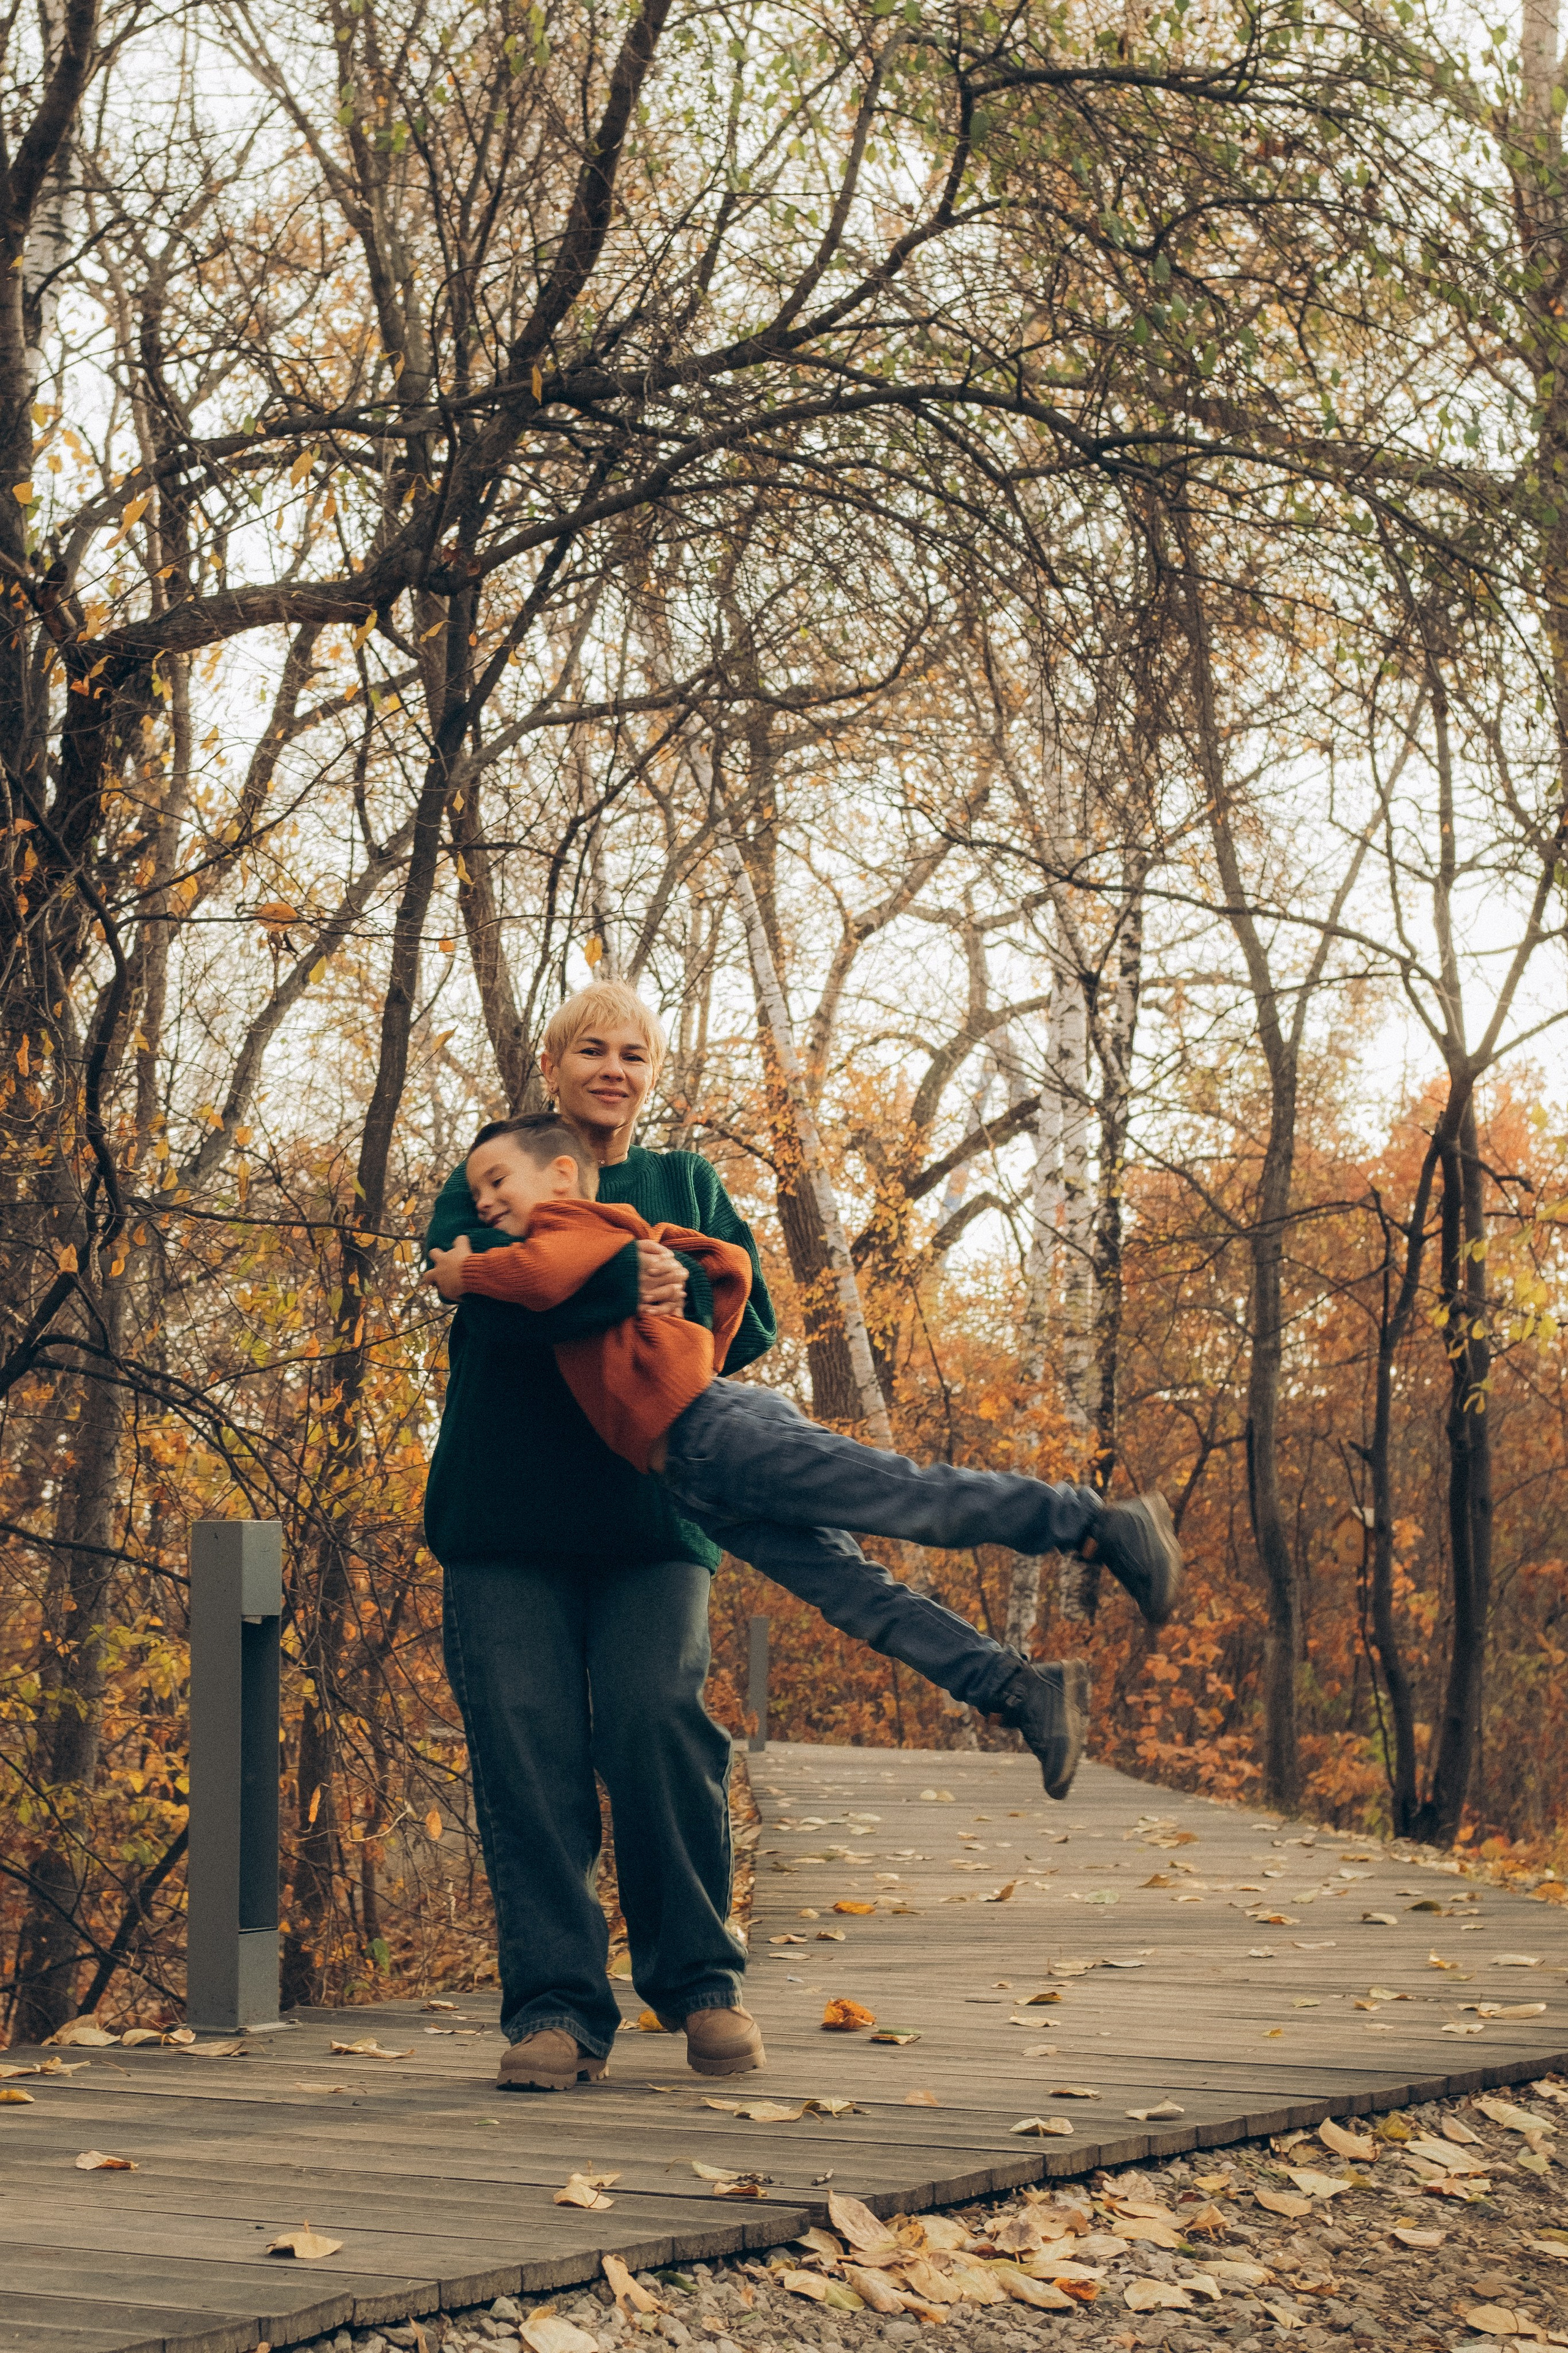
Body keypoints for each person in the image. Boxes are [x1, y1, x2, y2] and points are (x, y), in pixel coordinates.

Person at [425, 1113, 1183, 1807]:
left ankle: (1097, 1523)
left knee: (907, 1498)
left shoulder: (570, 1222)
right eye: (477, 1191)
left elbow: (545, 1275)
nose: (485, 1203)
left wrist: (467, 1274)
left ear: (560, 1175)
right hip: (692, 1477)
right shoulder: (551, 1228)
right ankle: (1020, 1689)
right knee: (850, 1591)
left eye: (497, 1183)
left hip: (718, 1431)